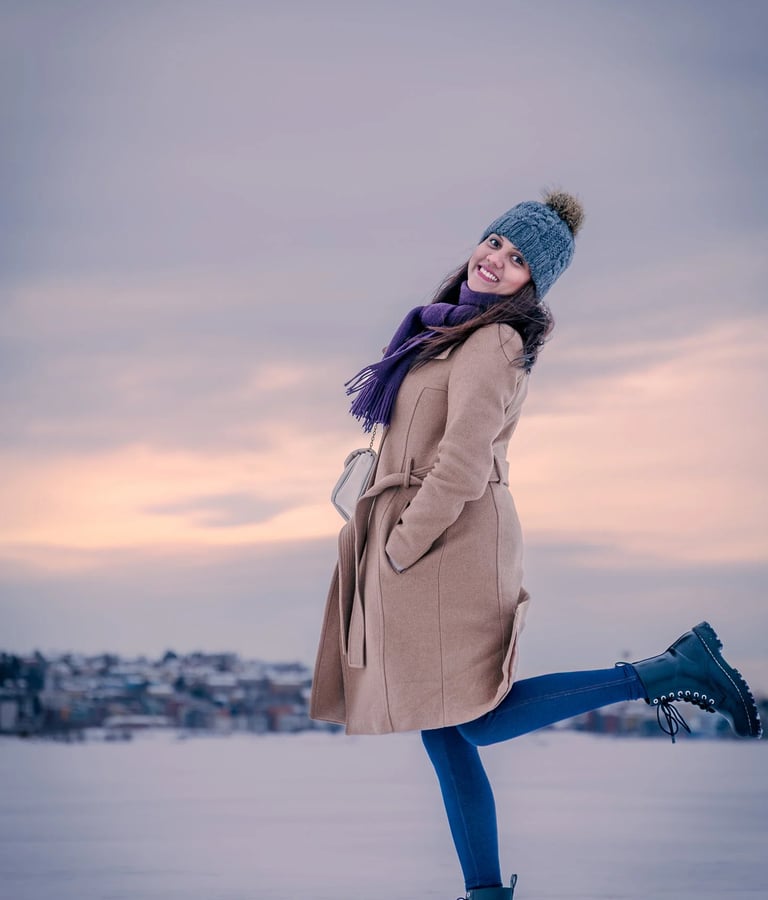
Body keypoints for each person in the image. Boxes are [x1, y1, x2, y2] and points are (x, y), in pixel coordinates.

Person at [310, 190, 762, 899]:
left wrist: (402, 545)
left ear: (533, 283)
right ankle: (485, 891)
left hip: (445, 543)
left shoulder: (495, 340)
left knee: (475, 722)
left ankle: (665, 669)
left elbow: (462, 460)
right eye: (495, 242)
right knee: (445, 731)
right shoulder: (446, 333)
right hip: (419, 537)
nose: (496, 261)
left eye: (518, 260)